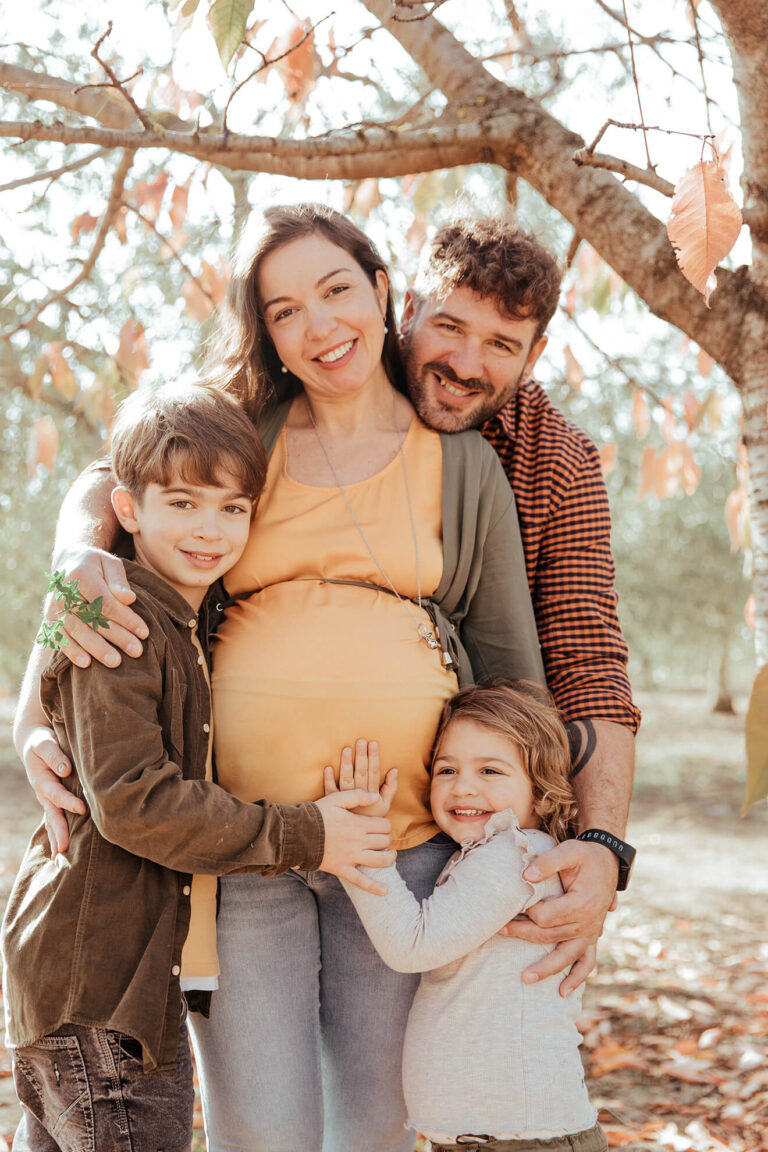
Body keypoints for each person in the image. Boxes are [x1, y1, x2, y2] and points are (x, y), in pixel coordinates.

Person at [12, 205, 545, 1152]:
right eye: (285, 308)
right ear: (266, 330)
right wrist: (33, 702)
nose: (320, 324)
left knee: (374, 1129)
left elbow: (510, 672)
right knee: (262, 1132)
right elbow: (114, 483)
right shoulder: (240, 432)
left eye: (338, 290)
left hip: (401, 847)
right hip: (240, 850)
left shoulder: (462, 464)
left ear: (383, 292)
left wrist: (529, 850)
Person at [2, 383, 395, 1152]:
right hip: (103, 998)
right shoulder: (118, 619)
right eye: (182, 503)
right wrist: (307, 835)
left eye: (231, 508)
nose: (209, 530)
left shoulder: (175, 615)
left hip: (92, 983)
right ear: (129, 508)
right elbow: (136, 802)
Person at [400, 214, 640, 988]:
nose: (466, 364)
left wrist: (603, 850)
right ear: (407, 309)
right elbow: (151, 457)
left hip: (463, 823)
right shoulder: (331, 377)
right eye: (449, 327)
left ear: (535, 355)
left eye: (502, 345)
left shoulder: (556, 461)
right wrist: (77, 559)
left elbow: (588, 661)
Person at [327, 681, 608, 1152]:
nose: (463, 786)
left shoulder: (518, 856)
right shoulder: (487, 854)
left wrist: (361, 842)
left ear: (541, 795)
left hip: (520, 1141)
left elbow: (412, 945)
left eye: (491, 770)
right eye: (447, 769)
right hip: (493, 1138)